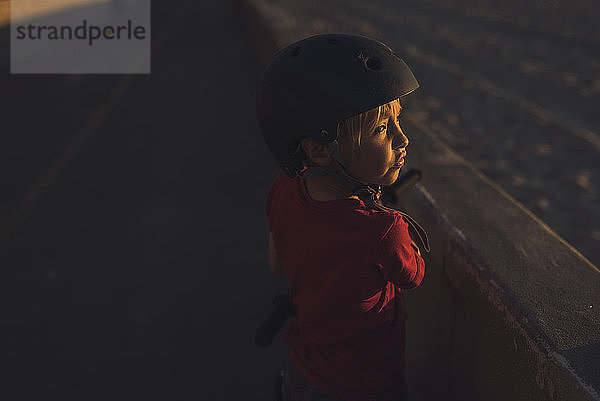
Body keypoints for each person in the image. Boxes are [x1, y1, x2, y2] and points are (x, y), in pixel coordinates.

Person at [257, 33, 430, 401]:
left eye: (397, 121)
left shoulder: (284, 189)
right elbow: (414, 275)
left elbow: (278, 263)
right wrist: (387, 224)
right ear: (320, 150)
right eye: (382, 129)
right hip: (365, 386)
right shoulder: (384, 231)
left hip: (302, 372)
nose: (403, 140)